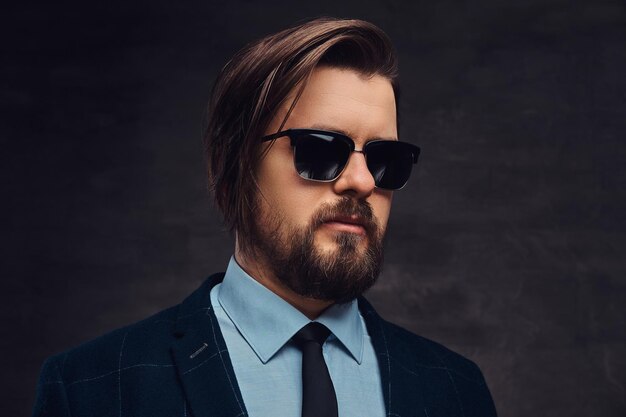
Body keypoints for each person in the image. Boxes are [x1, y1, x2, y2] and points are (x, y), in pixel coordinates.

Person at [32, 17, 497, 417]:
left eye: (385, 160)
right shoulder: (89, 388)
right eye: (319, 150)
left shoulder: (456, 390)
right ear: (234, 168)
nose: (362, 181)